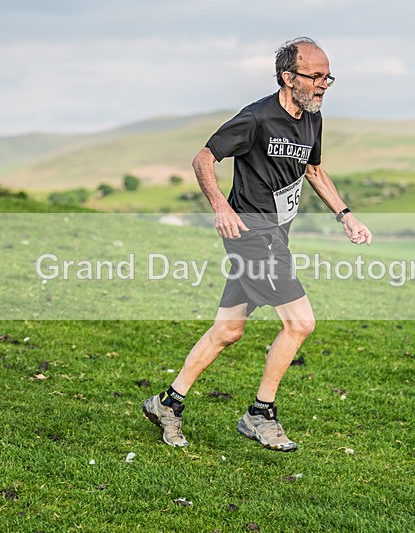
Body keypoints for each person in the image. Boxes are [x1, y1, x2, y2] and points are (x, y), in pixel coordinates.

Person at [143, 36, 372, 452]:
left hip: (276, 236)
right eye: (315, 76)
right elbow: (203, 159)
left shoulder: (312, 119)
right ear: (288, 77)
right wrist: (220, 206)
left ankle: (167, 404)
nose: (323, 84)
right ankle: (259, 414)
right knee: (300, 323)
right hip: (251, 235)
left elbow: (314, 171)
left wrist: (345, 215)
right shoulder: (256, 118)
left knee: (228, 330)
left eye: (328, 77)